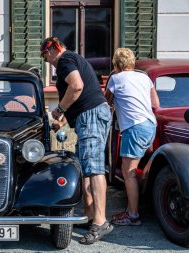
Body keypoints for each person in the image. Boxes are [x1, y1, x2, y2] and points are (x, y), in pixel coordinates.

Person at [41, 37, 113, 245]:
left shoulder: (65, 60)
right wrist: (62, 120)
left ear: (53, 49)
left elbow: (77, 87)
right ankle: (90, 216)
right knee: (85, 167)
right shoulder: (71, 60)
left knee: (94, 168)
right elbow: (77, 97)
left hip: (91, 116)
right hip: (88, 116)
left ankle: (100, 222)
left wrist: (59, 109)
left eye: (45, 56)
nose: (47, 61)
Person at [105, 48, 160, 226]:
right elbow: (155, 103)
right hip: (150, 124)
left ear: (116, 63)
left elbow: (107, 102)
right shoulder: (144, 77)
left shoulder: (115, 78)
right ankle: (131, 209)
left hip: (134, 127)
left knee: (129, 173)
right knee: (134, 169)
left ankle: (133, 215)